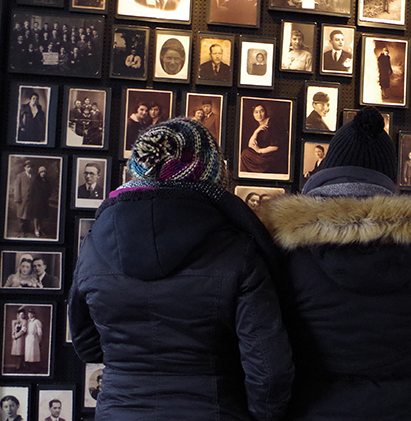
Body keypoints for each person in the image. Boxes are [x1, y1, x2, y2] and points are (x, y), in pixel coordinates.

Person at [69, 118, 294, 420]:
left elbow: (86, 346)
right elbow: (269, 371)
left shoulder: (95, 245)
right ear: (213, 173)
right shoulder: (239, 250)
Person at [257, 106, 411, 420]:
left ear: (326, 169)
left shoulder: (290, 244)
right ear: (389, 181)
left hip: (313, 407)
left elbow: (270, 341)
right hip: (401, 408)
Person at [240, 104, 284, 174]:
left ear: (265, 112)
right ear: (253, 114)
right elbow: (250, 145)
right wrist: (256, 131)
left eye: (261, 111)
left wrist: (260, 150)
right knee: (245, 153)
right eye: (256, 112)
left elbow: (275, 147)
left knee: (247, 156)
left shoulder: (272, 123)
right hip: (261, 153)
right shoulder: (256, 124)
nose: (259, 115)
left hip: (272, 154)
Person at [28, 166, 52, 238]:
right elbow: (33, 191)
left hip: (44, 201)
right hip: (37, 201)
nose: (43, 173)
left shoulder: (47, 181)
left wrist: (47, 195)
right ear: (39, 173)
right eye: (42, 172)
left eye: (44, 172)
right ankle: (36, 230)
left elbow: (49, 190)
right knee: (36, 216)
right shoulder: (36, 181)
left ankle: (40, 228)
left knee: (42, 216)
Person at [14, 160, 35, 238]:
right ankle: (22, 231)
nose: (29, 169)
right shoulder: (20, 176)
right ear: (24, 168)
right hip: (22, 199)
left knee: (29, 215)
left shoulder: (34, 176)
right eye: (27, 167)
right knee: (21, 215)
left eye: (30, 167)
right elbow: (17, 187)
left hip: (31, 200)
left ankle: (27, 230)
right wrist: (17, 198)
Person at [24, 307, 43, 373]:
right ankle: (28, 367)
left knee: (33, 353)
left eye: (31, 314)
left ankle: (34, 368)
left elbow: (39, 332)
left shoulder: (37, 321)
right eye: (28, 314)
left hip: (33, 339)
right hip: (27, 338)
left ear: (34, 314)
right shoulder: (28, 322)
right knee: (28, 353)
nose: (29, 315)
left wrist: (38, 340)